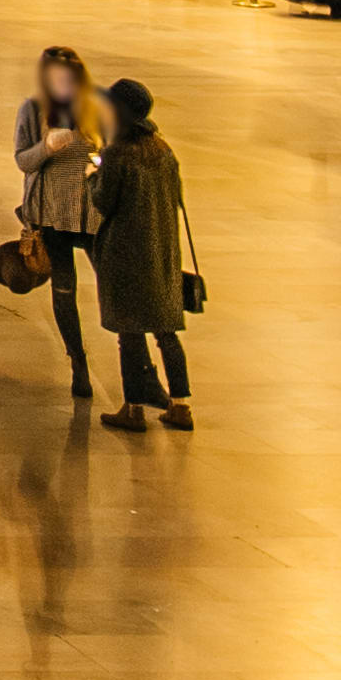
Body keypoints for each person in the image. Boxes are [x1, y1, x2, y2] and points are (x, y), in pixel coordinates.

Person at [89, 76, 198, 430]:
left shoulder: (118, 154)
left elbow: (104, 202)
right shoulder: (164, 151)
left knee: (130, 334)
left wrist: (94, 175)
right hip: (162, 252)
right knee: (167, 332)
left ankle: (133, 409)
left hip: (126, 253)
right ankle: (180, 405)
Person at [14, 49, 106, 400]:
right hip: (51, 215)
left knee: (112, 282)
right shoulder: (32, 110)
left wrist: (99, 160)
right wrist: (46, 148)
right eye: (56, 79)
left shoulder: (95, 109)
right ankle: (77, 361)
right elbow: (23, 161)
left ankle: (138, 364)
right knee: (64, 289)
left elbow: (107, 153)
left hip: (89, 213)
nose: (63, 86)